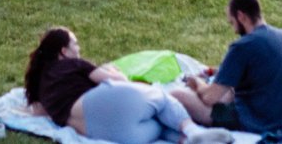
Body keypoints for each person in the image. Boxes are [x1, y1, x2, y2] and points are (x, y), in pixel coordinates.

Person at [23, 27, 201, 144]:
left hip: (101, 132)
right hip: (99, 102)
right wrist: (115, 72)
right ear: (63, 51)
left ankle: (187, 140)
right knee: (161, 98)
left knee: (159, 124)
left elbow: (38, 111)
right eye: (75, 44)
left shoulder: (41, 85)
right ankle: (192, 131)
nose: (78, 49)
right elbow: (120, 82)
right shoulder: (72, 64)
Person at [176, 0, 282, 134]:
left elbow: (209, 98)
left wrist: (197, 82)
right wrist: (221, 72)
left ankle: (190, 133)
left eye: (232, 23)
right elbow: (260, 69)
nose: (234, 30)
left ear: (241, 16)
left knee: (177, 95)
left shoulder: (243, 45)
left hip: (257, 121)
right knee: (228, 91)